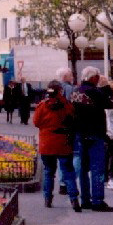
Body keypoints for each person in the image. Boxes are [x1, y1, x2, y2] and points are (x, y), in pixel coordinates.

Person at [71, 65, 113, 212]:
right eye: (98, 77)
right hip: (95, 134)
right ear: (94, 77)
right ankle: (97, 201)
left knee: (83, 169)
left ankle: (85, 200)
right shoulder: (95, 92)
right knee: (97, 168)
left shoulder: (75, 91)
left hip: (79, 134)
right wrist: (106, 87)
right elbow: (111, 104)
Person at [33, 80, 81, 211]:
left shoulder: (42, 105)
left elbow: (36, 122)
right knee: (68, 172)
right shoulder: (67, 105)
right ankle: (74, 199)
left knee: (49, 172)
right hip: (63, 143)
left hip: (47, 143)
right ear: (60, 91)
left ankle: (47, 199)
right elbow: (73, 120)